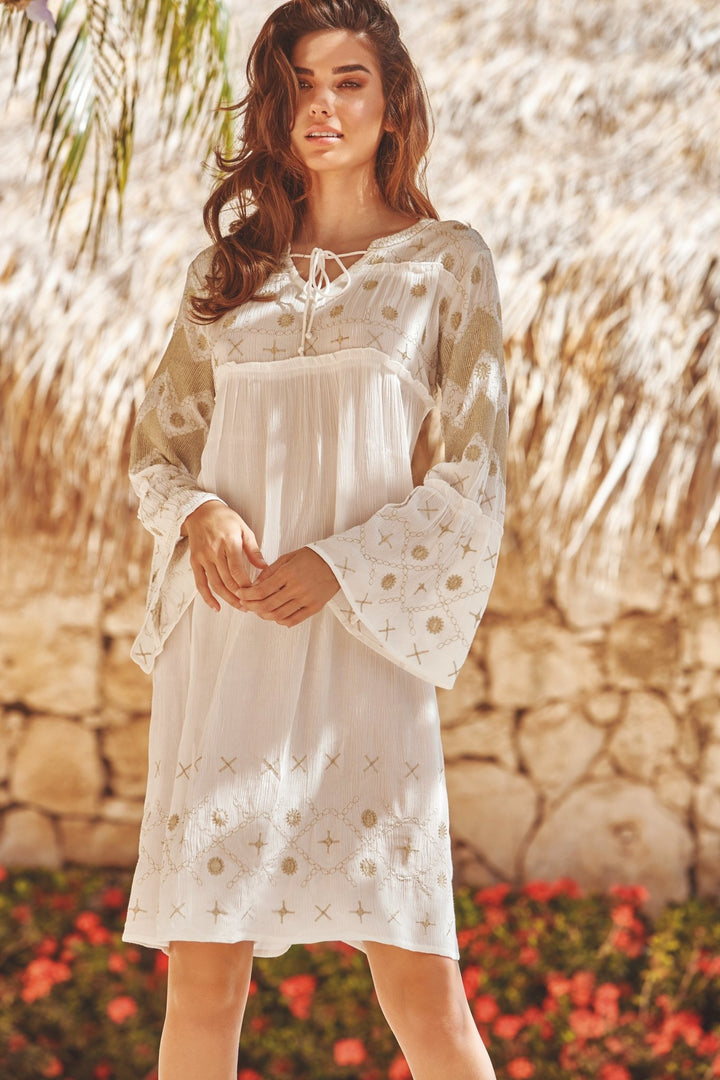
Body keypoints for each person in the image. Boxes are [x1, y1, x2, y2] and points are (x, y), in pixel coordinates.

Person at [122, 1, 507, 1078]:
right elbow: (156, 454)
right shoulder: (224, 274)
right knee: (203, 983)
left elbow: (474, 476)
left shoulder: (444, 263)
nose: (322, 106)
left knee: (422, 987)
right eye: (299, 82)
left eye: (349, 81)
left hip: (362, 642)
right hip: (228, 636)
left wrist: (339, 563)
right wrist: (198, 514)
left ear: (392, 103)